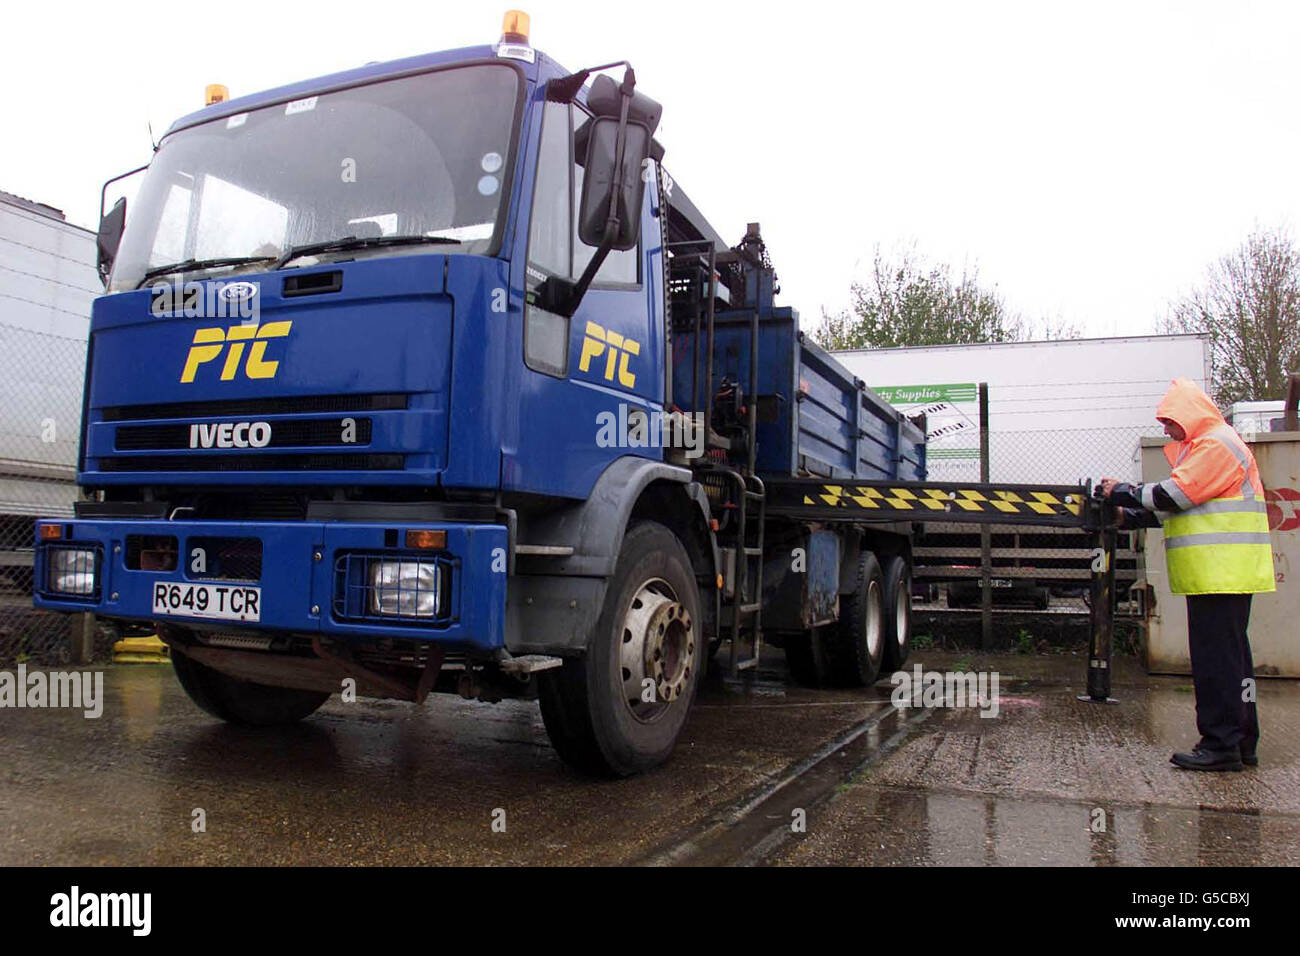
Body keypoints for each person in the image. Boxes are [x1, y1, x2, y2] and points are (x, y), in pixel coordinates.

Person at [1100, 377, 1275, 772]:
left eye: (1169, 420)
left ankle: (1219, 745)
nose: (1166, 429)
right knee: (1233, 661)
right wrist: (1130, 516)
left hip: (1219, 572)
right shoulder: (1215, 444)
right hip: (1226, 572)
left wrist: (1121, 491)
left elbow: (1172, 496)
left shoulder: (1215, 444)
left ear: (1189, 414)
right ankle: (1241, 741)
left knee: (1217, 662)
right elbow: (1183, 508)